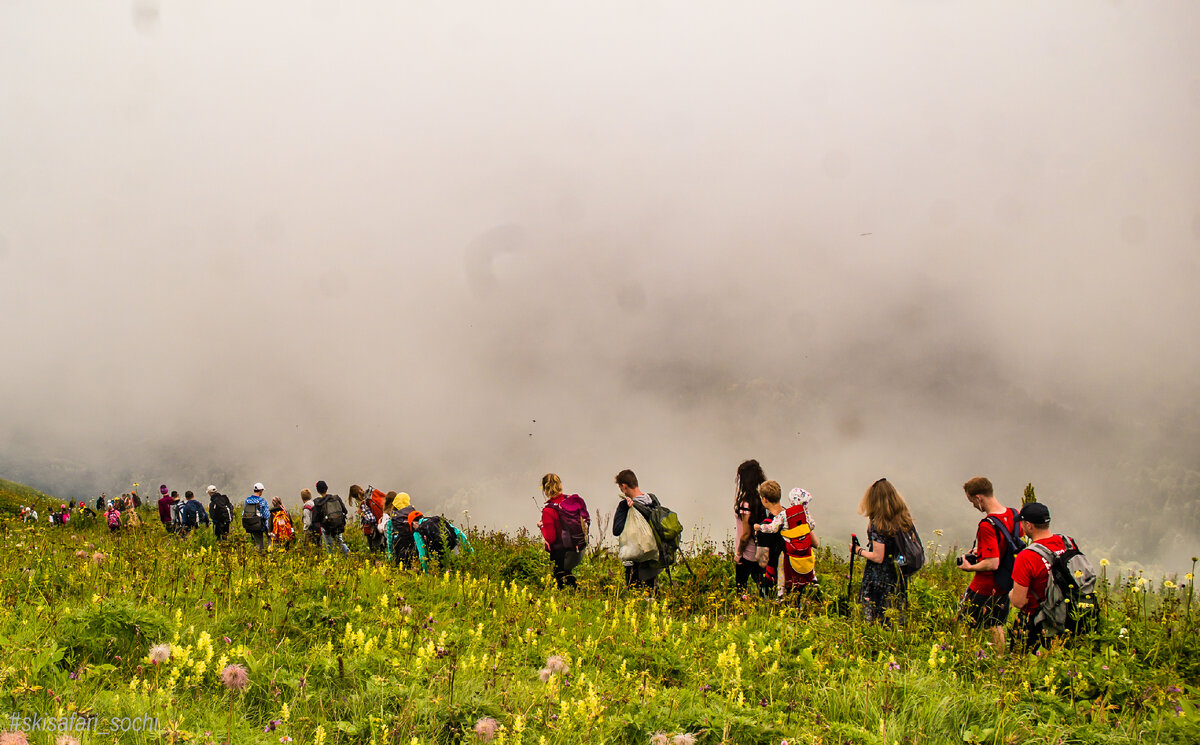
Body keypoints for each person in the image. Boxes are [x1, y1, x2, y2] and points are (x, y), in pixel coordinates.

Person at [957, 477, 1024, 652]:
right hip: (1005, 582)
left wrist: (970, 567)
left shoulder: (987, 525)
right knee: (996, 625)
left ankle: (965, 656)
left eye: (972, 501)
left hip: (983, 585)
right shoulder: (1014, 514)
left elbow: (992, 563)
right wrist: (979, 551)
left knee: (964, 624)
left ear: (979, 498)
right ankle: (999, 661)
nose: (973, 505)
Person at [853, 478, 915, 624]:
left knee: (875, 615)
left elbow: (877, 557)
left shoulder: (879, 523)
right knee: (894, 612)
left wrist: (858, 550)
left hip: (880, 576)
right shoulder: (903, 518)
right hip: (898, 571)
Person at [1010, 502, 1070, 651]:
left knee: (1018, 663)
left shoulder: (1027, 556)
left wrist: (1010, 594)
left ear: (1029, 525)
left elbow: (1018, 602)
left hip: (1037, 620)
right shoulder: (1067, 543)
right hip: (1067, 615)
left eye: (1022, 523)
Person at [612, 469, 664, 589]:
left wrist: (626, 510)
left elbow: (616, 530)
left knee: (634, 594)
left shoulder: (625, 505)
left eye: (621, 489)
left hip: (635, 558)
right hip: (653, 555)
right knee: (652, 592)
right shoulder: (653, 501)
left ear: (624, 487)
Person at [539, 473, 590, 589]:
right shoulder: (571, 501)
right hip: (577, 549)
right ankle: (577, 593)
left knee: (560, 578)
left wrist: (542, 526)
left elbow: (550, 538)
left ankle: (573, 597)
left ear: (545, 489)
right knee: (567, 575)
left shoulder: (548, 510)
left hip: (561, 554)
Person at [732, 460, 767, 592]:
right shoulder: (763, 499)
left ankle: (742, 611)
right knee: (763, 587)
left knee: (741, 588)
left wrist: (738, 554)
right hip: (762, 550)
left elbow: (745, 534)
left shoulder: (746, 503)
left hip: (747, 554)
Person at [313, 480, 350, 556]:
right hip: (338, 524)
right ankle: (348, 555)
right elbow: (345, 511)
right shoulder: (336, 498)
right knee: (340, 541)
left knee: (329, 545)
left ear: (318, 491)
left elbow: (316, 519)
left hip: (326, 527)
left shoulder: (318, 503)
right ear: (327, 488)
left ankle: (332, 562)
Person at [242, 483, 271, 551]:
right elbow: (266, 515)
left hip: (250, 524)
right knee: (270, 538)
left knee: (258, 543)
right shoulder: (262, 501)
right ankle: (268, 554)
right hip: (260, 525)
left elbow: (243, 513)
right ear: (261, 491)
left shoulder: (247, 500)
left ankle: (258, 554)